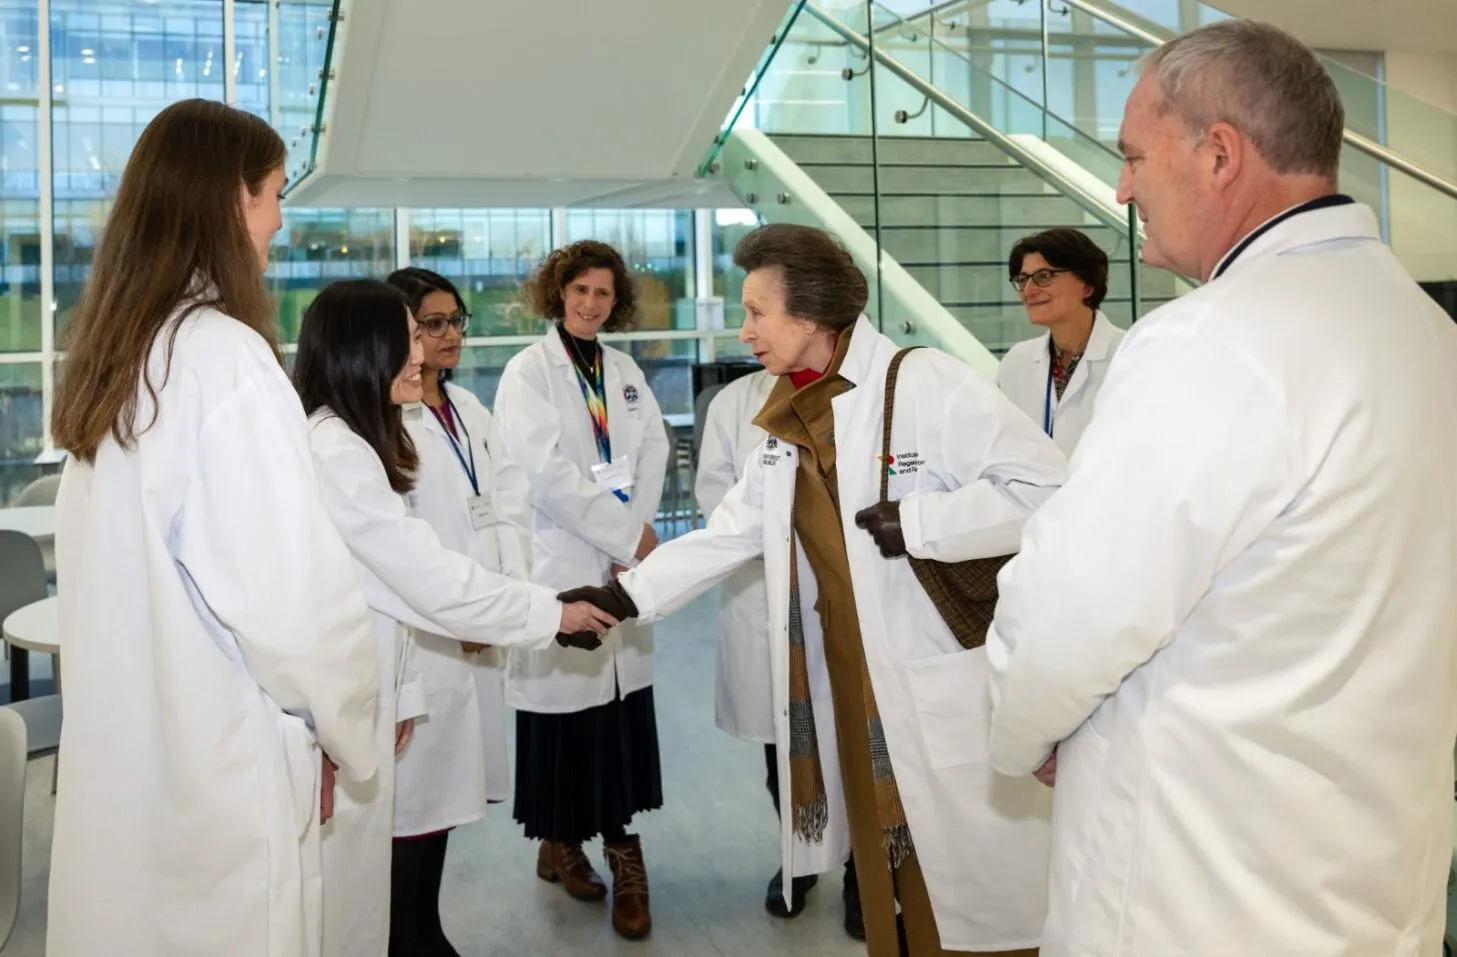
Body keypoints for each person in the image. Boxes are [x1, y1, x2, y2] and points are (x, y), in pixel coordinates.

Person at [986, 20, 1457, 957]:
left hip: (1198, 887)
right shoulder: (1423, 331)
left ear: (1217, 154)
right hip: (1366, 874)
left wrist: (1019, 729)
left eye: (1131, 158)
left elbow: (1071, 614)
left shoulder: (1213, 338)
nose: (1121, 189)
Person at [564, 223, 1067, 956]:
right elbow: (733, 528)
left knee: (966, 881)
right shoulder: (789, 414)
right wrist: (624, 598)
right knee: (881, 859)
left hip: (928, 676)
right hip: (848, 684)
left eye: (756, 311)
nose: (745, 330)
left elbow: (1047, 487)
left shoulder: (922, 382)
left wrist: (921, 520)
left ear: (811, 314)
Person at [46, 99, 380, 957]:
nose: (278, 219)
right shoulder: (224, 357)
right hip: (219, 776)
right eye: (271, 193)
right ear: (230, 200)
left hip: (129, 768)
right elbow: (294, 606)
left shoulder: (120, 358)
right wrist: (350, 728)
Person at [294, 279, 616, 957]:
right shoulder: (339, 454)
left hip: (417, 659)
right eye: (409, 336)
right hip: (388, 672)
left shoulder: (359, 438)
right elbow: (425, 575)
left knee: (409, 862)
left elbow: (495, 512)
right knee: (380, 877)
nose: (424, 352)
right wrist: (549, 612)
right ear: (363, 350)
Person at [492, 240, 670, 940]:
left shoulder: (622, 369)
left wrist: (637, 533)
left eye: (602, 293)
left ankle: (623, 850)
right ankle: (560, 840)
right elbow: (545, 474)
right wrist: (626, 539)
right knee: (566, 721)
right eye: (579, 290)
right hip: (566, 562)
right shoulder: (526, 373)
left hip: (622, 562)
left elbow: (651, 447)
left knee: (617, 714)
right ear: (557, 292)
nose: (590, 303)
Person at [383, 267, 533, 953]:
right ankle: (407, 936)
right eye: (431, 324)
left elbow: (509, 507)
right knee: (411, 804)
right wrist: (470, 614)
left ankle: (423, 928)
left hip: (477, 626)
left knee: (443, 801)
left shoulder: (470, 409)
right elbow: (406, 550)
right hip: (431, 639)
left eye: (455, 320)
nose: (449, 336)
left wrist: (505, 598)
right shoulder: (389, 419)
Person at [696, 369, 865, 937]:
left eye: (760, 314)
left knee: (851, 735)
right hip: (764, 587)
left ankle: (861, 870)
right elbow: (714, 491)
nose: (750, 332)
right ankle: (802, 858)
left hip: (844, 586)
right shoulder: (732, 402)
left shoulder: (854, 388)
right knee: (783, 744)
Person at [994, 228, 1125, 456]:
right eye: (1022, 279)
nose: (1028, 291)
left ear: (1087, 285)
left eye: (1044, 276)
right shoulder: (1017, 361)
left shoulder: (1129, 355)